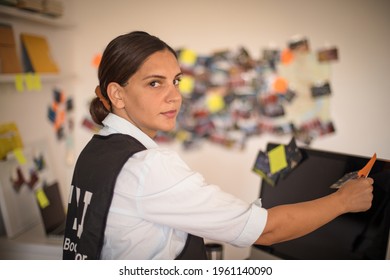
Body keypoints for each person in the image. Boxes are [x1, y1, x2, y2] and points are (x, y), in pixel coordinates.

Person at [62, 31, 374, 260]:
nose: (174, 96)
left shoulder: (97, 148)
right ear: (117, 95)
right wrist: (343, 201)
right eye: (155, 83)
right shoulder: (149, 166)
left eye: (176, 81)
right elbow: (267, 231)